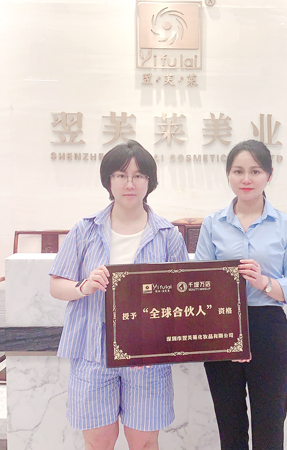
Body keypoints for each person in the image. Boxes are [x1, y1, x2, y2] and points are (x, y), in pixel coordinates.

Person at [49, 140, 188, 450]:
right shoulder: (85, 230)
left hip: (148, 355)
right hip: (92, 349)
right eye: (121, 175)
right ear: (108, 180)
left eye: (138, 176)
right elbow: (56, 285)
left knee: (144, 442)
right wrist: (84, 286)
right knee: (98, 441)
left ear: (150, 182)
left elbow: (181, 298)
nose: (129, 183)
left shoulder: (167, 235)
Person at [195, 139, 287, 450]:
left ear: (268, 176)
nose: (246, 179)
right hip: (221, 329)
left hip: (267, 327)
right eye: (238, 171)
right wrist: (230, 329)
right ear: (228, 175)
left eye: (255, 171)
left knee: (270, 426)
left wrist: (264, 283)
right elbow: (200, 282)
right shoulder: (212, 224)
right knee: (230, 428)